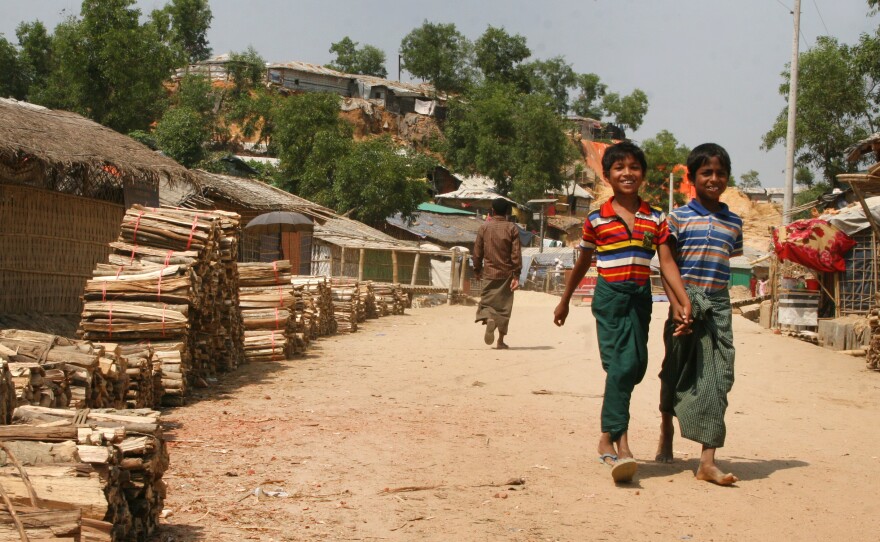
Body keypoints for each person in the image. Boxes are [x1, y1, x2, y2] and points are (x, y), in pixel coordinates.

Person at [554, 141, 691, 484]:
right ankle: (621, 442)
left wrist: (681, 299)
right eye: (619, 168)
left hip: (640, 298)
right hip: (609, 297)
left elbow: (667, 263)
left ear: (642, 173)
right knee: (621, 366)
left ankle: (607, 436)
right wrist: (565, 299)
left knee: (634, 365)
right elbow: (584, 261)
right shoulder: (596, 219)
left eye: (633, 167)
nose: (627, 173)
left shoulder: (656, 217)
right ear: (608, 175)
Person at [655, 143, 743, 486]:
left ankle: (707, 460)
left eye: (720, 173)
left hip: (717, 308)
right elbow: (666, 265)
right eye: (706, 172)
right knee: (675, 371)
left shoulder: (734, 221)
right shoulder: (676, 217)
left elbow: (725, 264)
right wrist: (678, 304)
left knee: (718, 378)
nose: (714, 178)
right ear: (692, 178)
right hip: (683, 302)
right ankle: (666, 429)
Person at [473, 198, 522, 350]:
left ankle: (488, 319)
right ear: (507, 212)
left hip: (489, 272)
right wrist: (516, 275)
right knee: (504, 308)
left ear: (492, 210)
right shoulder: (512, 228)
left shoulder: (484, 227)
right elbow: (516, 253)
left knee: (486, 302)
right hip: (506, 274)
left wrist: (477, 269)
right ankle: (500, 341)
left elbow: (477, 250)